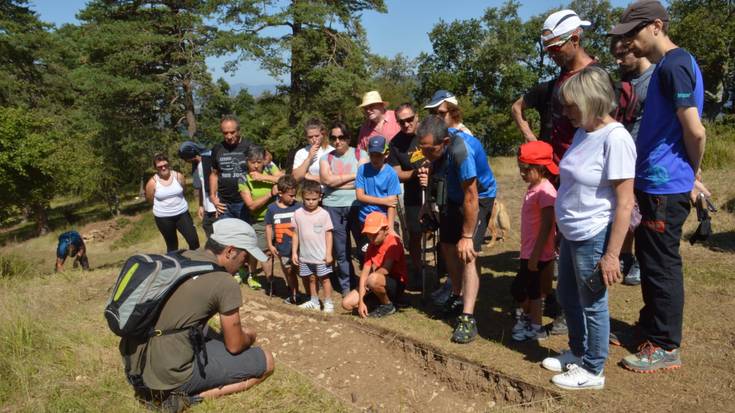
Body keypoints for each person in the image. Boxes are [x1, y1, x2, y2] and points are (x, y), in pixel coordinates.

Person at [610, 0, 707, 373]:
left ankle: (665, 345)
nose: (629, 42)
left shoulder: (676, 65)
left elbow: (695, 130)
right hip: (656, 181)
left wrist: (691, 174)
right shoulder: (668, 65)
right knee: (650, 262)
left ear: (655, 26)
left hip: (666, 185)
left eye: (633, 33)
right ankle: (649, 330)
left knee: (662, 266)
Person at [539, 66, 636, 390]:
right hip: (571, 232)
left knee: (593, 302)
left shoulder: (616, 138)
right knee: (567, 295)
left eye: (571, 105)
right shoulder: (584, 132)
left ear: (591, 100)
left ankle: (593, 369)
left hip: (593, 233)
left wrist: (612, 256)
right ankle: (578, 353)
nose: (566, 112)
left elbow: (624, 202)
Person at [119, 219, 274, 406]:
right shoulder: (224, 282)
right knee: (266, 361)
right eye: (245, 257)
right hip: (171, 374)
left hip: (136, 363)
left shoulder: (182, 256)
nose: (246, 263)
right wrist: (250, 336)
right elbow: (235, 345)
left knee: (210, 333)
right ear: (230, 251)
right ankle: (183, 400)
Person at [416, 116, 495, 344]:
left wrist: (468, 236)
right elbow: (434, 168)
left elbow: (471, 197)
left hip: (478, 198)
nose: (426, 154)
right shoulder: (435, 148)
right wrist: (427, 203)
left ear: (446, 141)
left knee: (467, 253)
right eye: (423, 150)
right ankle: (457, 295)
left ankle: (468, 317)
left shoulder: (462, 151)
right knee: (448, 246)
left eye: (431, 149)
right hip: (452, 196)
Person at [609, 35, 655, 286]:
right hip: (624, 156)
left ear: (636, 49)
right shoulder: (622, 81)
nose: (618, 60)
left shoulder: (656, 79)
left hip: (648, 157)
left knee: (642, 213)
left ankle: (639, 259)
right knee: (625, 207)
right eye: (614, 55)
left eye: (622, 54)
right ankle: (625, 255)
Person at [511, 141, 558, 342]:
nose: (521, 173)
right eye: (520, 168)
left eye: (525, 169)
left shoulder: (545, 191)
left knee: (526, 290)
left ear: (539, 168)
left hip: (536, 253)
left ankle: (534, 326)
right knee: (530, 290)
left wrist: (536, 255)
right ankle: (530, 322)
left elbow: (548, 225)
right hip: (529, 251)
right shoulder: (534, 186)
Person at [539, 9, 596, 164]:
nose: (551, 55)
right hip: (557, 169)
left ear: (575, 39)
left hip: (580, 169)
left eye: (555, 48)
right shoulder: (564, 73)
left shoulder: (594, 78)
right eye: (547, 50)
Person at [319, 122, 368, 295]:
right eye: (333, 138)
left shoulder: (360, 154)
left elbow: (363, 180)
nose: (337, 141)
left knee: (364, 247)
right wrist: (354, 177)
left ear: (348, 138)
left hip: (357, 205)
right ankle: (347, 287)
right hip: (333, 207)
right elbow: (327, 181)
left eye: (341, 137)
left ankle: (366, 284)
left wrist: (337, 181)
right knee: (341, 250)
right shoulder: (326, 158)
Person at [341, 212, 408, 318]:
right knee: (346, 303)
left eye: (375, 234)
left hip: (394, 283)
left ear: (386, 230)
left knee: (372, 279)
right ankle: (376, 303)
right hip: (375, 281)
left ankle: (388, 305)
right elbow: (364, 273)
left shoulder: (394, 243)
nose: (371, 238)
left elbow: (386, 270)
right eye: (369, 234)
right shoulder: (371, 246)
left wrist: (368, 283)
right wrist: (361, 302)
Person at [388, 103, 424, 285]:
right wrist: (415, 174)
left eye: (410, 119)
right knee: (415, 233)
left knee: (442, 230)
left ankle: (446, 270)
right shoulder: (395, 143)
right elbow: (396, 173)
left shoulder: (428, 131)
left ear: (417, 116)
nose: (407, 124)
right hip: (413, 193)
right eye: (402, 122)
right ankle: (417, 269)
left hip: (436, 189)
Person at [239, 145, 279, 290]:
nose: (256, 165)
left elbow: (286, 179)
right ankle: (270, 282)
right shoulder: (243, 179)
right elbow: (251, 205)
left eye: (259, 161)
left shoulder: (269, 169)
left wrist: (264, 177)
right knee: (264, 251)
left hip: (279, 217)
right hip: (260, 220)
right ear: (247, 161)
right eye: (252, 162)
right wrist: (270, 194)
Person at [291, 180, 335, 312]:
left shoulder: (324, 214)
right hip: (305, 256)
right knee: (311, 278)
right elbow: (295, 234)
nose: (310, 202)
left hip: (321, 256)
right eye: (307, 199)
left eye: (314, 199)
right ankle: (314, 301)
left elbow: (329, 234)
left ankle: (328, 303)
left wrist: (328, 253)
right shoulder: (298, 213)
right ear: (302, 198)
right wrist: (294, 252)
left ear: (320, 197)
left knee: (325, 279)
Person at [145, 153, 200, 252]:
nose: (163, 168)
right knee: (172, 246)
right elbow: (150, 199)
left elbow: (183, 190)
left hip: (182, 214)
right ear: (155, 168)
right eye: (160, 166)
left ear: (169, 164)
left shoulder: (178, 176)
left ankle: (195, 263)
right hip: (163, 218)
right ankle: (174, 265)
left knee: (194, 241)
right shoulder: (152, 183)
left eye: (165, 165)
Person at [265, 175, 303, 304]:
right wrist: (270, 244)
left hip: (299, 249)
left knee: (303, 272)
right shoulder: (272, 209)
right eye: (290, 196)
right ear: (280, 193)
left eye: (294, 195)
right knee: (289, 272)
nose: (293, 198)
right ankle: (294, 294)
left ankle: (310, 296)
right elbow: (269, 227)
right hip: (283, 247)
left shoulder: (298, 207)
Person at [355, 136, 401, 233]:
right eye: (372, 155)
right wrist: (384, 201)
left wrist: (391, 228)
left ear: (386, 154)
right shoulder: (362, 169)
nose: (375, 158)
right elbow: (360, 196)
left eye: (378, 155)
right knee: (365, 248)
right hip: (365, 218)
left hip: (383, 220)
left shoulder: (391, 174)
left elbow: (392, 203)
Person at [209, 115, 252, 221]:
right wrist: (213, 197)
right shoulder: (217, 148)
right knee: (227, 236)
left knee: (246, 235)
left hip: (245, 203)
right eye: (225, 133)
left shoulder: (249, 146)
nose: (228, 136)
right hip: (224, 205)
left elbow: (264, 161)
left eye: (232, 132)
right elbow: (214, 174)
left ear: (238, 131)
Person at [178, 141, 217, 238]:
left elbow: (218, 184)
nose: (186, 161)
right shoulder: (197, 165)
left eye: (186, 159)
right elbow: (201, 187)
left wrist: (217, 206)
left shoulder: (210, 161)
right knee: (208, 229)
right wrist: (201, 205)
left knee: (219, 235)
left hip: (216, 206)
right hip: (207, 207)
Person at [292, 118, 333, 183]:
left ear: (322, 134)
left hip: (327, 191)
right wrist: (309, 158)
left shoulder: (331, 151)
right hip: (308, 191)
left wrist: (308, 176)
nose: (314, 139)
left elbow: (333, 178)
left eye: (317, 136)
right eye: (310, 137)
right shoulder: (301, 153)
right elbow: (295, 178)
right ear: (306, 137)